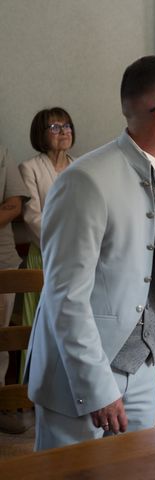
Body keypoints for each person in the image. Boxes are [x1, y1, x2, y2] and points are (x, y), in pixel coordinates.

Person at [24, 55, 155, 450]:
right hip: (81, 377)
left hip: (142, 368)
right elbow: (64, 296)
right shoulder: (86, 181)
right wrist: (97, 386)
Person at [19, 108, 75, 335]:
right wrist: (62, 242)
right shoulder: (29, 168)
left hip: (78, 253)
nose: (63, 131)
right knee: (41, 323)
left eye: (67, 126)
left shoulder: (81, 166)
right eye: (55, 127)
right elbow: (32, 216)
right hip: (45, 252)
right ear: (40, 134)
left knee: (71, 320)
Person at [0, 146, 29, 434]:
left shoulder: (2, 154)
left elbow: (13, 205)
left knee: (2, 338)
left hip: (1, 260)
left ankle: (2, 405)